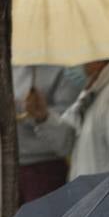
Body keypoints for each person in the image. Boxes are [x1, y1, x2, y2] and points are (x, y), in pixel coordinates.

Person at [15, 64, 81, 202]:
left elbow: (67, 131)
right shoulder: (11, 62)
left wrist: (36, 114)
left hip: (45, 166)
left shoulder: (64, 71)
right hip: (8, 164)